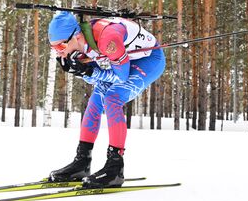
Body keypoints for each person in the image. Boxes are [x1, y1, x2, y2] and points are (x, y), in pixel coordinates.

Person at [47, 11, 166, 188]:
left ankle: (115, 168)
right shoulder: (81, 42)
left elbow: (121, 78)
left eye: (61, 47)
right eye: (54, 48)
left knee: (112, 98)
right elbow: (98, 78)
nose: (60, 53)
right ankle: (82, 162)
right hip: (126, 61)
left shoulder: (107, 39)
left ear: (76, 36)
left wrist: (88, 71)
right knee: (96, 100)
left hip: (149, 61)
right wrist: (81, 71)